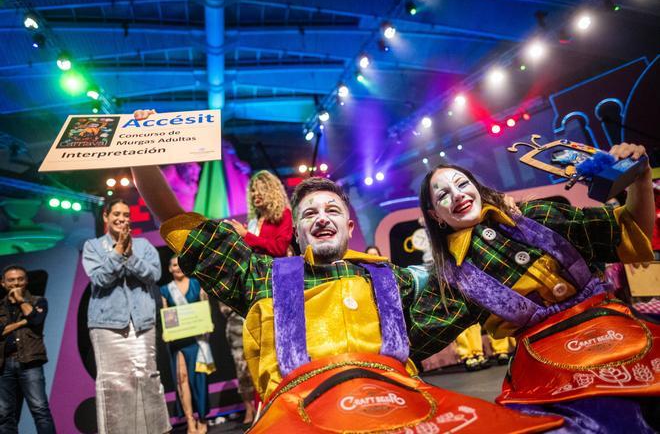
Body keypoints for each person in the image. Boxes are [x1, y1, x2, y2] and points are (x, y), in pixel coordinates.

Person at [131, 145, 562, 431]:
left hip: (399, 418)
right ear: (297, 233)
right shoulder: (262, 278)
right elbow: (181, 227)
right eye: (310, 213)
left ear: (349, 225)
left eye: (332, 210)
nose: (321, 217)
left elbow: (473, 289)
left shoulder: (391, 279)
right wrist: (141, 154)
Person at [419, 142, 659, 432]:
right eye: (443, 194)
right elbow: (409, 338)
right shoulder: (450, 279)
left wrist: (641, 178)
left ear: (476, 187)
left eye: (461, 184)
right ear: (434, 216)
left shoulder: (536, 215)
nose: (457, 195)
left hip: (616, 330)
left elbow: (629, 230)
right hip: (548, 371)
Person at [82, 198, 170, 434]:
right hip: (106, 325)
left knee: (148, 378)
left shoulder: (143, 246)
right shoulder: (93, 247)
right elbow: (100, 278)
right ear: (106, 216)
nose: (122, 218)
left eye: (126, 214)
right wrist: (119, 251)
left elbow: (154, 275)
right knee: (114, 383)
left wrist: (130, 256)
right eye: (117, 214)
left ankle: (155, 430)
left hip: (142, 322)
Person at [223, 169, 293, 424]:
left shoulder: (283, 215)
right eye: (252, 191)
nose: (254, 195)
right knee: (258, 353)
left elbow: (278, 248)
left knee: (279, 350)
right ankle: (264, 411)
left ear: (271, 190)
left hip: (278, 290)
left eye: (259, 189)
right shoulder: (254, 222)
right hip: (256, 291)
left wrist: (246, 236)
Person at [161, 256, 214, 434]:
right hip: (179, 342)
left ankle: (202, 418)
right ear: (169, 269)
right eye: (174, 264)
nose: (178, 267)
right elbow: (167, 316)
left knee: (199, 379)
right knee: (181, 378)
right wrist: (167, 331)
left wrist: (207, 323)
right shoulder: (165, 290)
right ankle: (190, 420)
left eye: (181, 264)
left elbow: (205, 307)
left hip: (197, 340)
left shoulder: (197, 284)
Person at [0, 265, 55, 434]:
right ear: (3, 283)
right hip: (3, 364)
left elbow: (36, 320)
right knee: (4, 413)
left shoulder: (38, 301)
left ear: (26, 281)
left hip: (30, 361)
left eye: (20, 279)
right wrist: (23, 322)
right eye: (11, 280)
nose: (16, 283)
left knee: (40, 409)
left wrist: (21, 300)